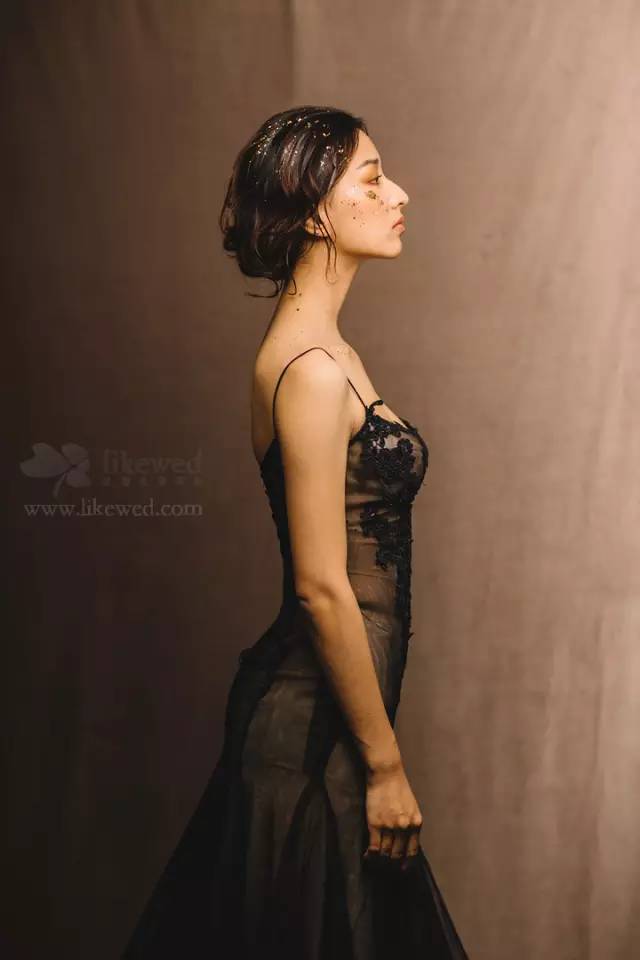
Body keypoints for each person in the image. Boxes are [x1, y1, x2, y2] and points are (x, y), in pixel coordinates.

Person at [122, 105, 469, 959]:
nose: (400, 195)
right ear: (316, 211)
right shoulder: (310, 371)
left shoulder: (330, 352)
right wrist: (386, 766)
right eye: (372, 179)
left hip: (333, 722)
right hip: (308, 729)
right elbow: (319, 585)